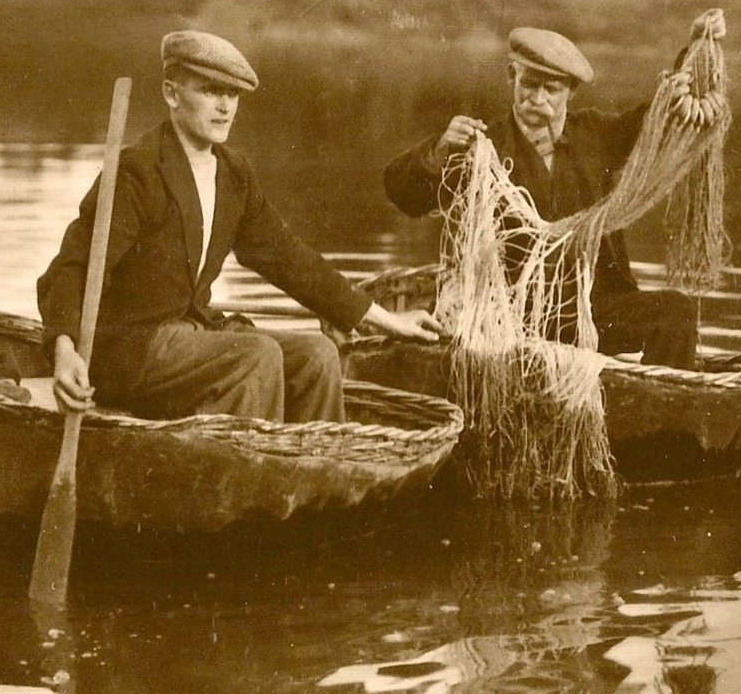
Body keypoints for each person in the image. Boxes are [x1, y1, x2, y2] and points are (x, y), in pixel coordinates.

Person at [39, 30, 443, 423]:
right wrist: (64, 350)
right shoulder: (136, 172)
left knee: (317, 356)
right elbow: (72, 267)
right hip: (130, 350)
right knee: (256, 354)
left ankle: (315, 474)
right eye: (211, 90)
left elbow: (291, 260)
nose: (225, 107)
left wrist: (387, 319)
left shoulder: (233, 175)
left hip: (191, 338)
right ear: (171, 94)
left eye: (232, 94)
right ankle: (254, 476)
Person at [382, 27, 706, 370]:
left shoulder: (596, 136)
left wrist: (696, 55)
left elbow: (659, 118)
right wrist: (439, 150)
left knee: (677, 313)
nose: (537, 99)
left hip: (593, 310)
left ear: (571, 92)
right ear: (512, 76)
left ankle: (662, 412)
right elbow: (402, 194)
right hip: (514, 318)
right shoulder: (482, 149)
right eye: (528, 85)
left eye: (551, 90)